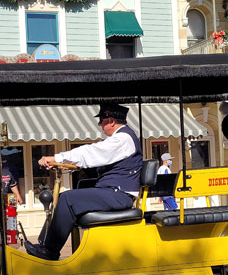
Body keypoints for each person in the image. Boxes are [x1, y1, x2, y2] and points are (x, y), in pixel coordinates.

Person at [26, 103, 142, 261]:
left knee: (67, 199)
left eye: (102, 120)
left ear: (112, 121)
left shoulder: (122, 139)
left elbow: (91, 152)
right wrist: (68, 164)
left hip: (119, 194)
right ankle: (44, 244)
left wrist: (56, 158)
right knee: (66, 197)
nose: (99, 124)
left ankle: (50, 251)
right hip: (114, 191)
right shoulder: (121, 138)